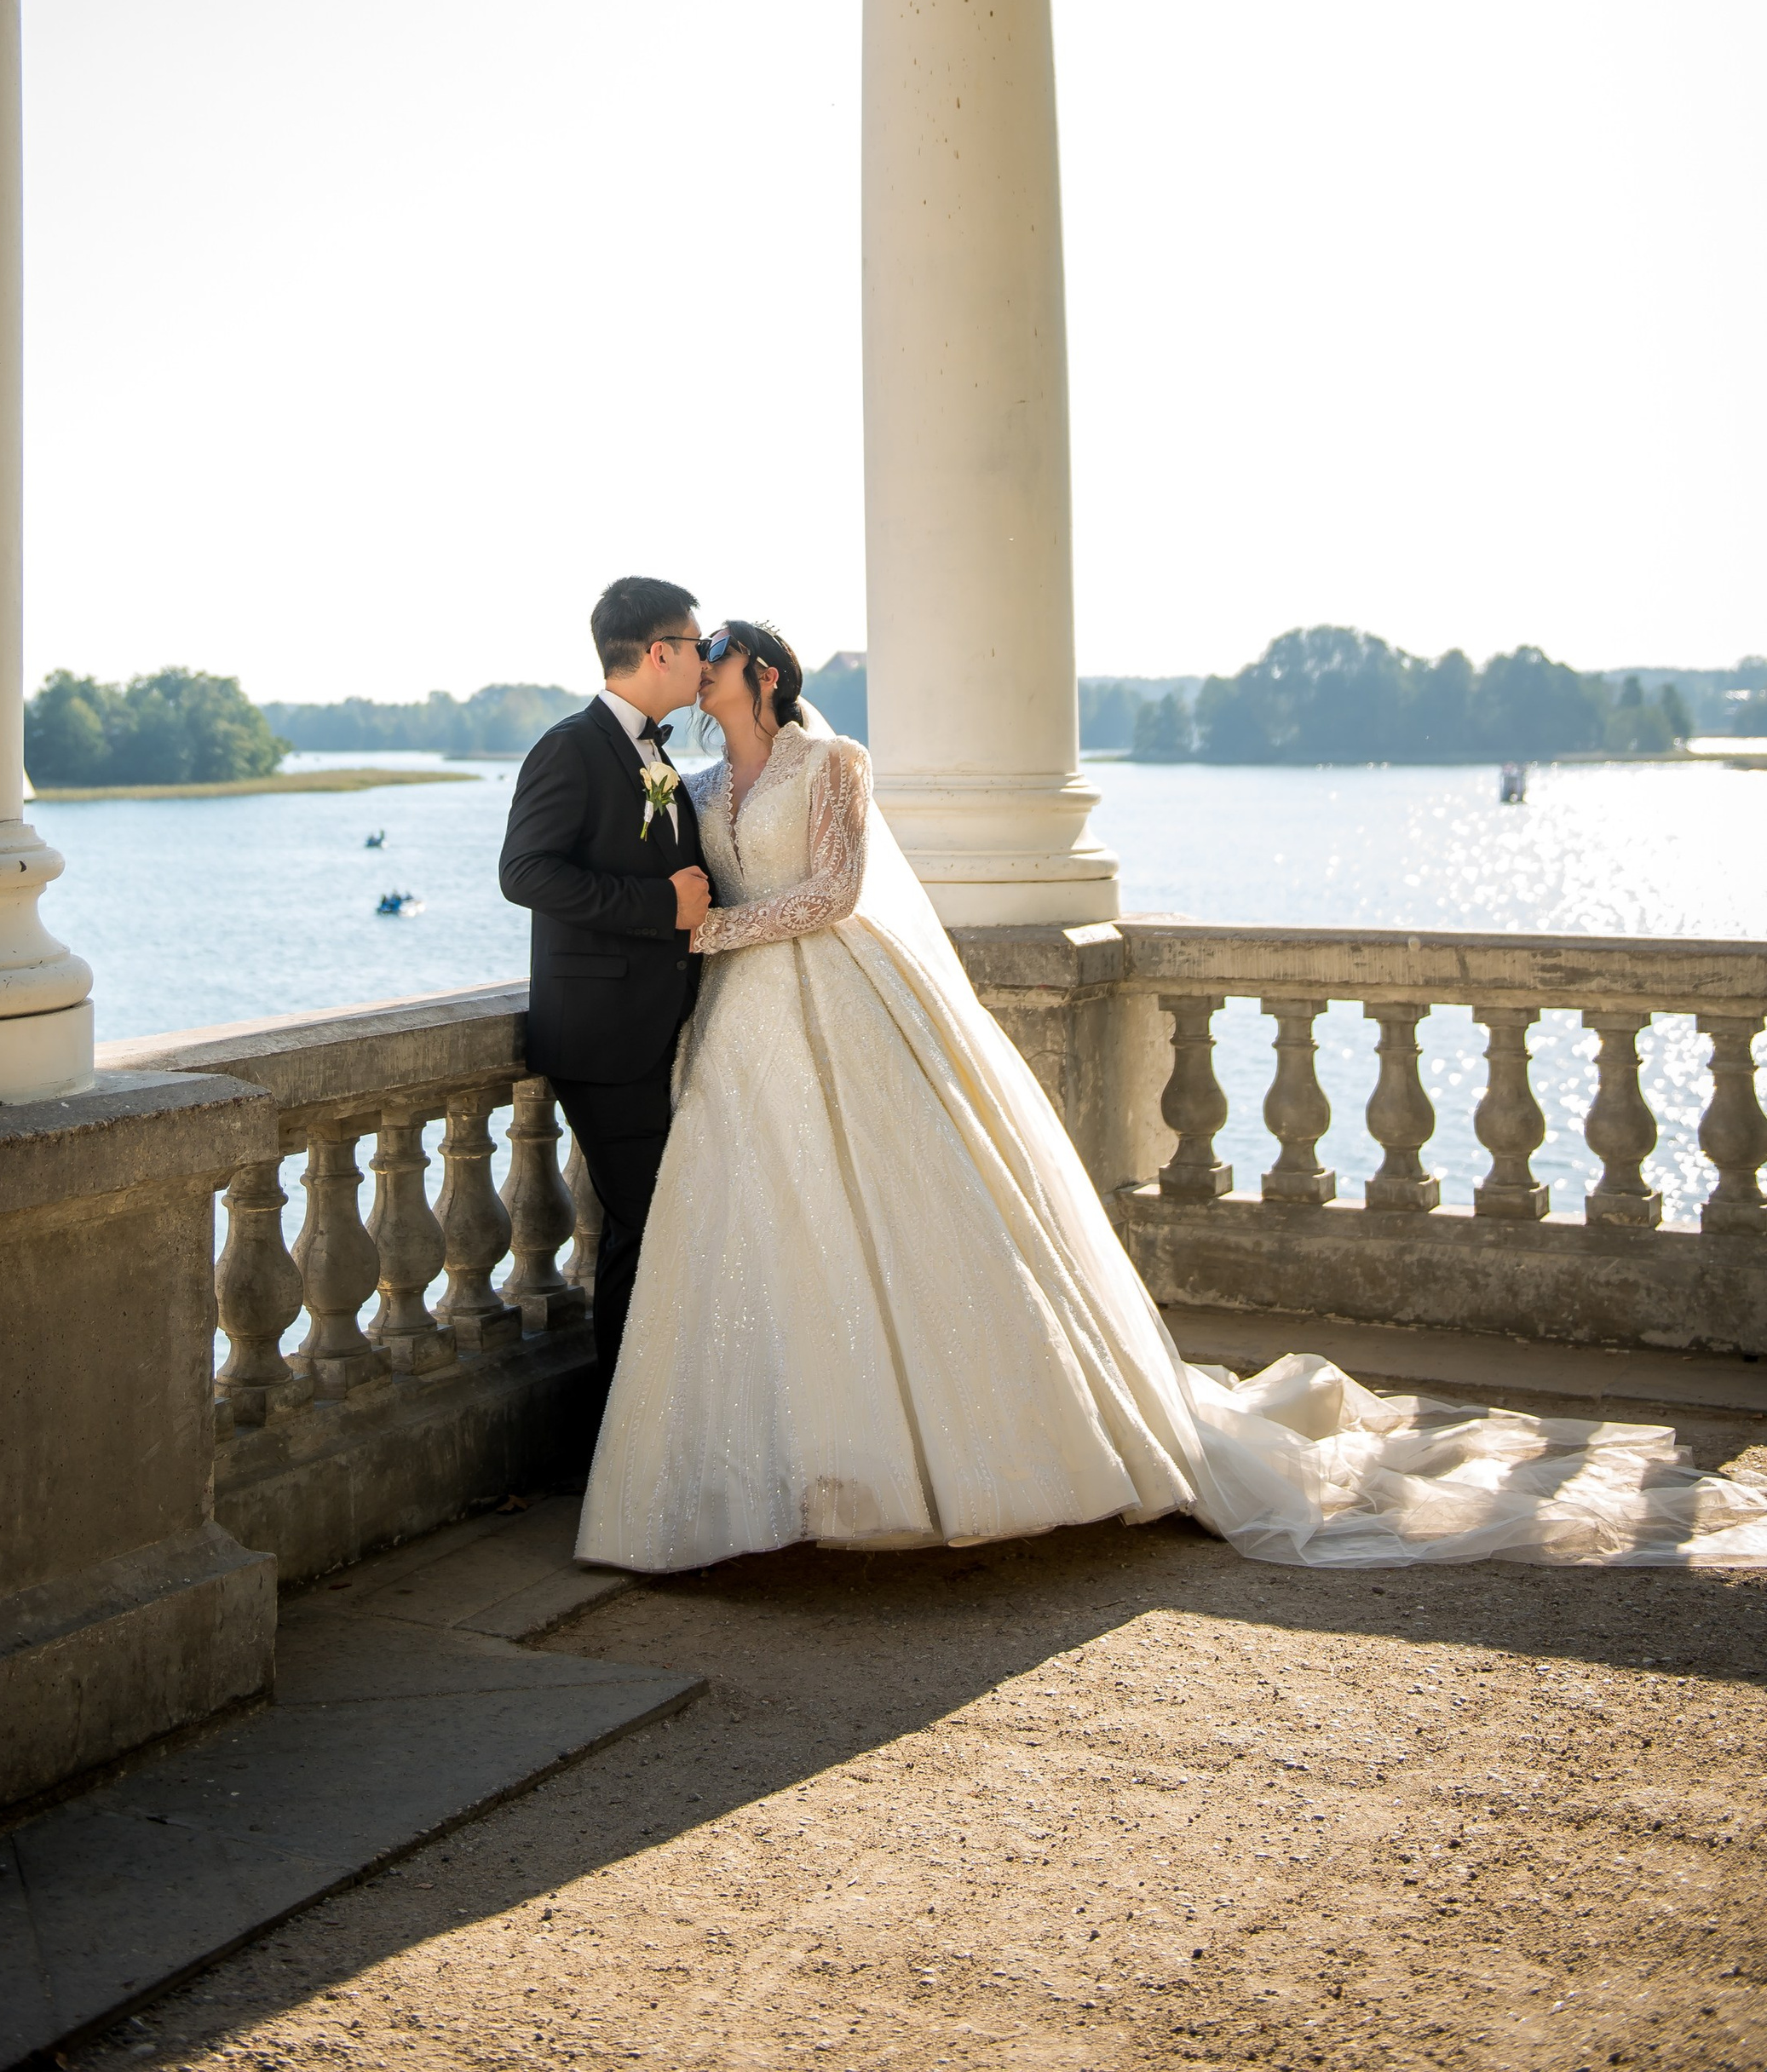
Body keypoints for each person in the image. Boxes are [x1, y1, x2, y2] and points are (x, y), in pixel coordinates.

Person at [579, 619, 1767, 1577]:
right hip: (746, 1029)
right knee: (762, 1230)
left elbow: (838, 889)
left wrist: (721, 923)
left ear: (760, 673)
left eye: (713, 657)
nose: (698, 672)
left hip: (842, 997)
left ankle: (953, 1467)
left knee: (902, 1217)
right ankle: (773, 1475)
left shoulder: (832, 762)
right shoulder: (685, 776)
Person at [498, 577, 714, 1413]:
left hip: (662, 1031)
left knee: (641, 1233)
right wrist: (661, 906)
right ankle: (631, 1435)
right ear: (659, 651)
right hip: (603, 1039)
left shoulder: (651, 755)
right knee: (652, 1226)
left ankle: (638, 1437)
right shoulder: (571, 746)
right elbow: (525, 873)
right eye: (695, 645)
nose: (703, 661)